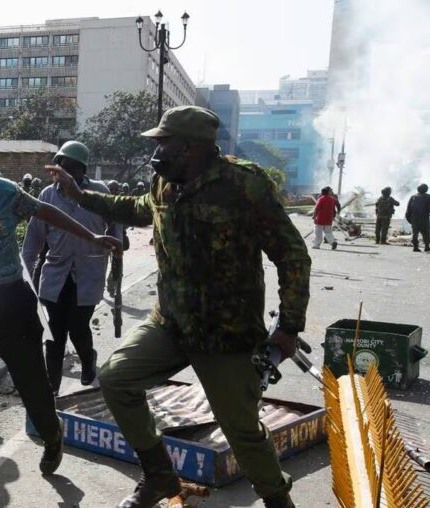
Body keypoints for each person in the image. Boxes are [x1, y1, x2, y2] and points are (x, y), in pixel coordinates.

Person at [47, 105, 310, 508]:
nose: (156, 152)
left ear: (190, 147)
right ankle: (159, 477)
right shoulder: (163, 182)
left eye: (163, 143)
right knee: (116, 379)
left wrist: (289, 327)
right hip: (170, 322)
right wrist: (81, 198)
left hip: (227, 334)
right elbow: (138, 209)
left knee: (240, 429)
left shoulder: (245, 184)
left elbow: (292, 255)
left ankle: (277, 499)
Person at [0, 141, 121, 508]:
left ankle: (52, 435)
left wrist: (91, 236)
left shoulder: (3, 193)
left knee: (33, 385)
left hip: (12, 303)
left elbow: (46, 212)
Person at [23, 140, 122, 394]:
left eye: (71, 167)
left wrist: (117, 243)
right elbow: (34, 237)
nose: (64, 172)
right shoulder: (47, 195)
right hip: (56, 272)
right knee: (54, 334)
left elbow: (115, 223)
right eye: (61, 165)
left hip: (89, 272)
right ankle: (51, 390)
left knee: (78, 326)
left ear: (82, 170)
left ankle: (88, 360)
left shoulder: (98, 191)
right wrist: (25, 274)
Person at [405, 183, 430, 252]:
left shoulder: (413, 197)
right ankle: (427, 247)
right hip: (424, 218)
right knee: (426, 233)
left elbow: (408, 209)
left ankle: (415, 247)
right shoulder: (428, 197)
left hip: (414, 219)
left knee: (415, 233)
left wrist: (409, 220)